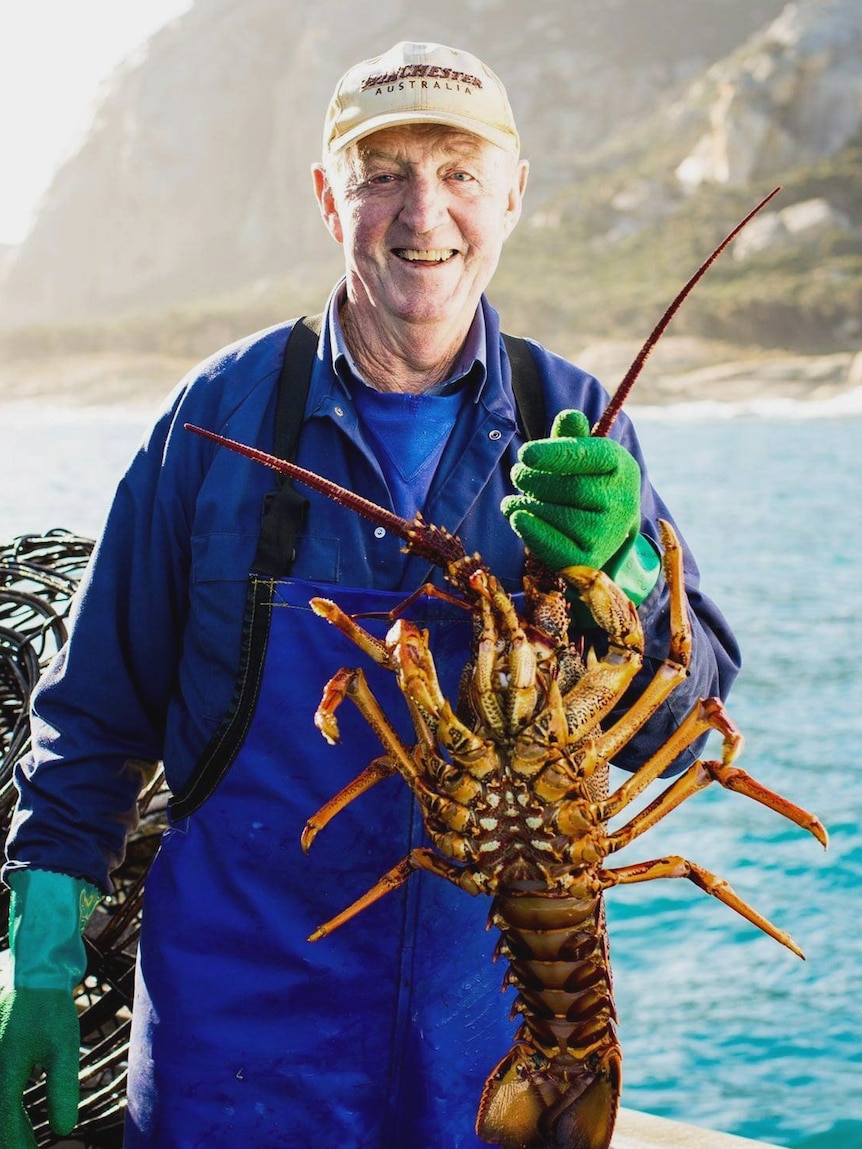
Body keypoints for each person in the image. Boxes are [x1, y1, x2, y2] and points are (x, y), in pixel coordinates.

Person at [0, 40, 740, 1149]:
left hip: (493, 1046)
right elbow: (97, 706)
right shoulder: (221, 416)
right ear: (326, 197)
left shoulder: (571, 420)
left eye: (457, 171)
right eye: (381, 171)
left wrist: (625, 563)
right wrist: (44, 955)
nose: (421, 211)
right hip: (233, 1043)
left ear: (513, 193)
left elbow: (691, 724)